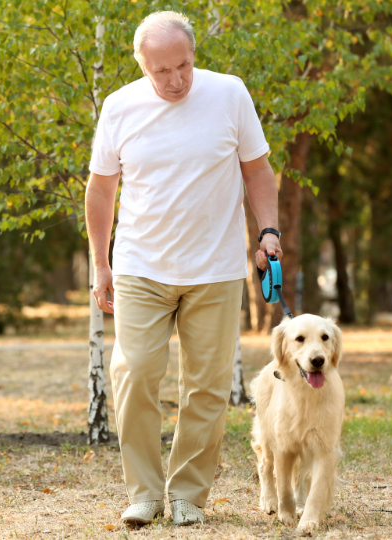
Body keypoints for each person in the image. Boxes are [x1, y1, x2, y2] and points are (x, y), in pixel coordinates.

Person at [84, 11, 283, 527]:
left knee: (208, 386)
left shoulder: (230, 94)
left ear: (195, 55)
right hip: (140, 265)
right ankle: (144, 494)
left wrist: (269, 232)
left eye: (184, 66)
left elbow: (257, 170)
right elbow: (102, 188)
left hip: (214, 268)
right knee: (133, 373)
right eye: (162, 71)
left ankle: (188, 495)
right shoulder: (119, 106)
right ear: (141, 65)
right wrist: (100, 262)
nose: (175, 80)